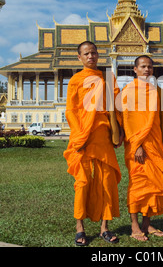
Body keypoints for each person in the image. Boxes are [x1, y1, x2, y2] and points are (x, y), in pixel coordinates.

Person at [63, 41, 123, 246]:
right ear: (79, 57)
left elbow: (116, 107)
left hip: (103, 137)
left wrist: (118, 132)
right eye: (86, 54)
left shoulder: (107, 78)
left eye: (94, 53)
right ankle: (79, 227)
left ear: (98, 55)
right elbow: (70, 110)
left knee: (106, 182)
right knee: (82, 183)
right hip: (82, 137)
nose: (91, 57)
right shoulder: (75, 80)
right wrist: (79, 133)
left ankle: (104, 228)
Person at [120, 55, 163, 241]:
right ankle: (135, 226)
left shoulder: (158, 92)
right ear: (135, 70)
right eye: (143, 66)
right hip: (137, 146)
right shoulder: (128, 91)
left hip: (155, 144)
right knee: (138, 185)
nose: (147, 70)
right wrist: (137, 145)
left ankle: (146, 223)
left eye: (149, 67)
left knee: (152, 185)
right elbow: (127, 121)